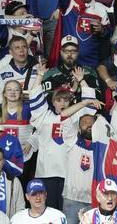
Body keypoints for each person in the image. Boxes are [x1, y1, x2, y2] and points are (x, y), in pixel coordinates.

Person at [28, 62, 102, 210]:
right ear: (53, 102)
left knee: (65, 213)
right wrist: (40, 76)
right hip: (45, 172)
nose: (62, 103)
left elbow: (89, 105)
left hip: (69, 173)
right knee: (48, 211)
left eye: (66, 100)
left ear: (71, 101)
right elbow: (35, 96)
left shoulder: (76, 117)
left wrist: (81, 80)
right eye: (58, 100)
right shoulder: (43, 116)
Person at [55, 0, 112, 68]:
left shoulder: (100, 8)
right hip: (69, 64)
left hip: (92, 64)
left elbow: (108, 33)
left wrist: (102, 29)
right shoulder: (69, 3)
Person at [42, 35, 101, 102]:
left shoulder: (89, 72)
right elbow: (46, 100)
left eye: (73, 51)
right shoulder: (50, 74)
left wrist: (81, 82)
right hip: (59, 111)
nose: (69, 54)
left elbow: (98, 97)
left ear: (78, 52)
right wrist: (68, 90)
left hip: (84, 110)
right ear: (61, 52)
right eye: (66, 51)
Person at [0, 36, 39, 105]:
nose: (21, 50)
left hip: (36, 112)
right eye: (17, 48)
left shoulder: (39, 69)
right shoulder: (2, 73)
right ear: (11, 52)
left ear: (28, 49)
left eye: (24, 47)